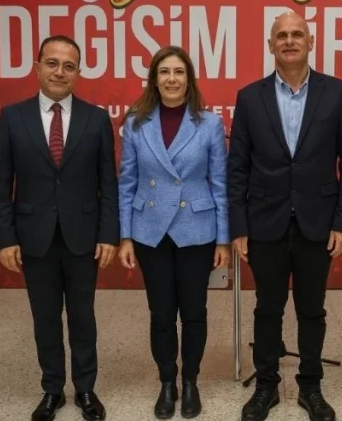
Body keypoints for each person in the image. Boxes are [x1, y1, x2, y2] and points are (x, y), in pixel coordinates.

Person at [228, 11, 342, 421]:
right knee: (267, 307)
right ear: (270, 45)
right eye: (281, 35)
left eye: (297, 34)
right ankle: (266, 386)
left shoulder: (336, 93)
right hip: (264, 221)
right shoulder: (249, 97)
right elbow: (237, 167)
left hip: (317, 223)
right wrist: (238, 225)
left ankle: (311, 386)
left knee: (312, 308)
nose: (289, 40)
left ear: (311, 42)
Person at [0, 35, 118, 421]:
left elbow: (108, 182)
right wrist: (5, 237)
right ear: (38, 67)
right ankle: (52, 390)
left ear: (78, 72)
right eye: (52, 63)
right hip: (34, 237)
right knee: (45, 318)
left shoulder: (96, 119)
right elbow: (0, 183)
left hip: (83, 236)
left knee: (83, 317)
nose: (60, 72)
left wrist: (108, 234)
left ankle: (85, 389)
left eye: (69, 65)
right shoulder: (13, 117)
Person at [117, 45, 230, 420]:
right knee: (161, 314)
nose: (171, 79)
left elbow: (220, 183)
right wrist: (126, 236)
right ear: (154, 79)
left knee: (194, 313)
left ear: (189, 79)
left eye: (179, 72)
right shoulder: (136, 123)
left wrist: (224, 238)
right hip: (150, 230)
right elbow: (127, 182)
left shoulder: (209, 123)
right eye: (164, 72)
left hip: (196, 229)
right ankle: (167, 381)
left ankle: (191, 381)